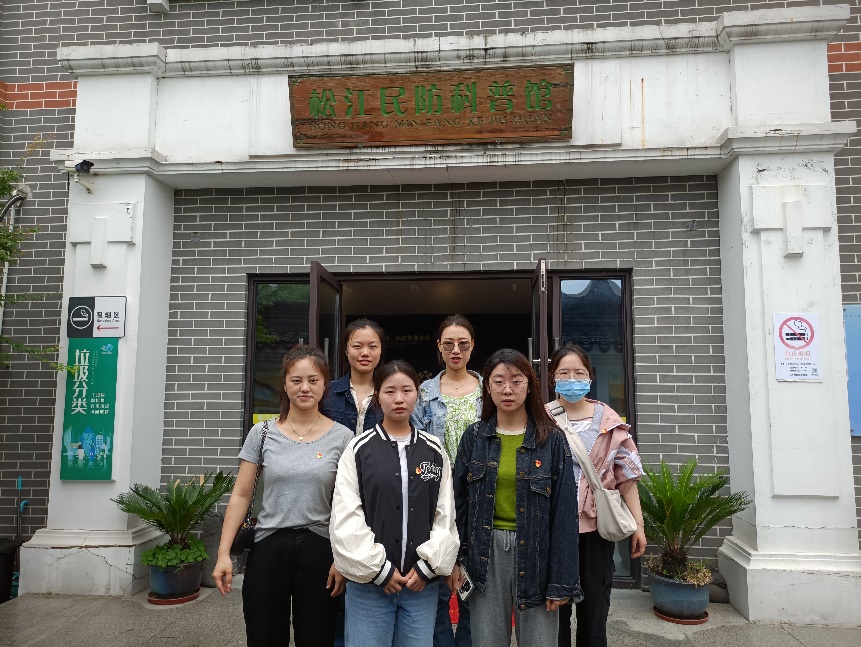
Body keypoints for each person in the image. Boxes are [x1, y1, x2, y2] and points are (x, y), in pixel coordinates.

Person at [212, 345, 353, 647]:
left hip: (320, 548)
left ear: (325, 385)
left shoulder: (343, 437)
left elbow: (350, 504)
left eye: (313, 380)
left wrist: (342, 559)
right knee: (264, 635)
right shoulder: (262, 433)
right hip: (268, 545)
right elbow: (241, 495)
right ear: (285, 385)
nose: (305, 388)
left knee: (317, 637)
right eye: (296, 380)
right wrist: (223, 554)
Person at [451, 348, 582, 647]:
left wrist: (561, 580)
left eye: (516, 381)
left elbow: (564, 512)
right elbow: (459, 504)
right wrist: (456, 560)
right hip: (484, 554)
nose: (507, 389)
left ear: (529, 385)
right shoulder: (474, 437)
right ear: (488, 387)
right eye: (498, 381)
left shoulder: (551, 439)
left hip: (537, 553)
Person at [330, 360, 460, 647]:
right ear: (377, 397)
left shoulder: (434, 450)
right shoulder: (358, 449)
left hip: (420, 587)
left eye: (406, 390)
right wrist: (380, 570)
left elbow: (445, 515)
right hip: (369, 587)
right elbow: (346, 516)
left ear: (418, 395)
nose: (399, 398)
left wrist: (427, 568)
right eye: (390, 391)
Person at [546, 344, 646, 647]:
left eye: (579, 373)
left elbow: (626, 478)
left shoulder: (608, 421)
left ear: (590, 376)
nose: (572, 379)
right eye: (564, 373)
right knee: (553, 617)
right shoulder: (541, 419)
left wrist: (639, 526)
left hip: (596, 532)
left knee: (594, 613)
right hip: (552, 531)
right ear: (553, 377)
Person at [413, 315, 481, 647]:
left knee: (473, 585)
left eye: (463, 344)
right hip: (435, 495)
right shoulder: (423, 392)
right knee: (437, 580)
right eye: (449, 344)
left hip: (479, 494)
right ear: (439, 347)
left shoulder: (488, 389)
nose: (456, 350)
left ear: (472, 347)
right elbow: (413, 442)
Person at [322, 318, 385, 436]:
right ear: (346, 350)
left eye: (372, 346)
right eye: (357, 346)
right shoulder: (326, 392)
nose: (365, 353)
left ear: (380, 350)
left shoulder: (390, 394)